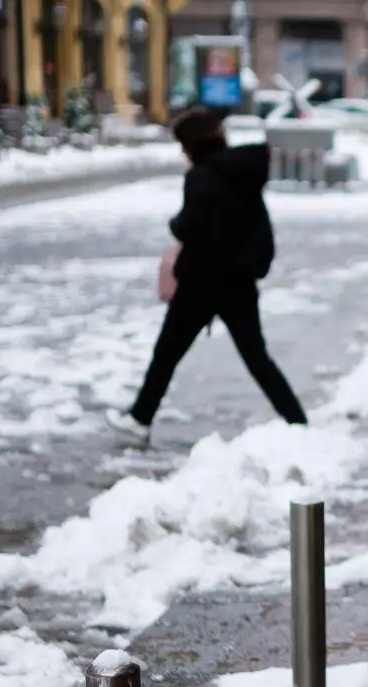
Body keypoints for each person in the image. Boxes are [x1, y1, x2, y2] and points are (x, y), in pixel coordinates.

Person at [105, 107, 308, 444]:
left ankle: (140, 419)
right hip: (239, 282)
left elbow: (192, 226)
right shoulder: (244, 171)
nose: (181, 152)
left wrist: (175, 224)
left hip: (203, 282)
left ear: (192, 144)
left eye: (182, 144)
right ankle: (297, 421)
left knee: (166, 353)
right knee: (257, 358)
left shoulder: (202, 176)